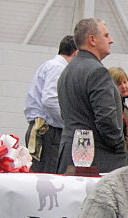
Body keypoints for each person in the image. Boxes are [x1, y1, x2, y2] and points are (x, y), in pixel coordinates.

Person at [56, 18, 126, 173]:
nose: (111, 40)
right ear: (92, 40)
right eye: (106, 35)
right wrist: (122, 146)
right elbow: (106, 120)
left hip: (68, 155)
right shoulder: (97, 72)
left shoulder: (67, 71)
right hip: (98, 160)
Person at [23, 35, 78, 173]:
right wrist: (69, 123)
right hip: (49, 133)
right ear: (76, 53)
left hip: (45, 131)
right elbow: (50, 101)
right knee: (48, 180)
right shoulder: (58, 68)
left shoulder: (49, 65)